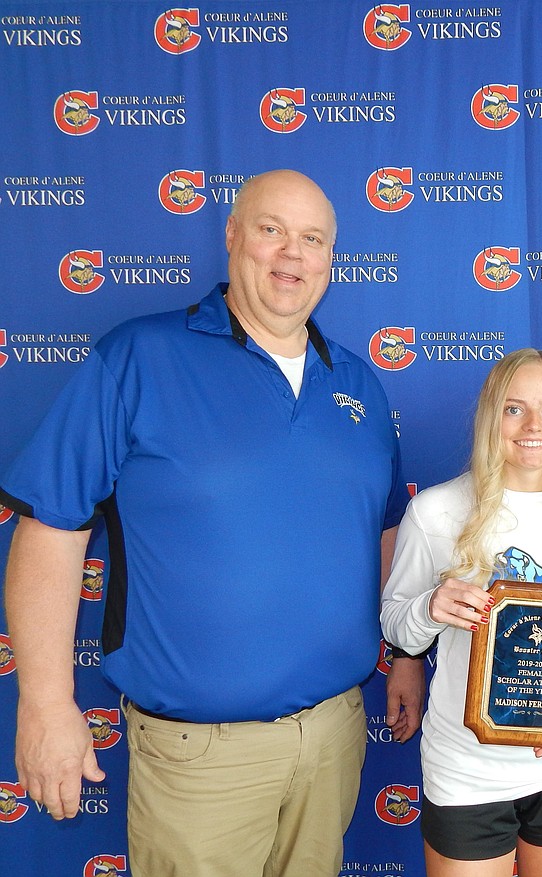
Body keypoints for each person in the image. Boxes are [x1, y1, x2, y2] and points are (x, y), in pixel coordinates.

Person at [1, 169, 423, 876]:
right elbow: (53, 527)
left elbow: (384, 532)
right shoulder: (138, 357)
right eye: (271, 229)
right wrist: (45, 703)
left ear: (331, 260)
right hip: (200, 760)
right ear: (231, 236)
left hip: (333, 737)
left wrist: (407, 653)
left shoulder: (358, 384)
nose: (292, 253)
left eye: (312, 238)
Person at [380, 348, 542, 877]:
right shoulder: (434, 512)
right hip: (465, 767)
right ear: (491, 417)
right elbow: (397, 622)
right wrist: (431, 607)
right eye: (514, 409)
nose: (533, 425)